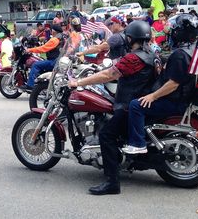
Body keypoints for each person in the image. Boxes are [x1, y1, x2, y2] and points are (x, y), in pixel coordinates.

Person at [68, 20, 160, 195]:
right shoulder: (151, 53)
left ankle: (112, 182)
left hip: (128, 105)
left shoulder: (133, 58)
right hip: (141, 101)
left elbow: (108, 74)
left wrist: (78, 82)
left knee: (106, 135)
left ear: (131, 38)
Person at [122, 14, 198, 154]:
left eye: (172, 30)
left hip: (175, 101)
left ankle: (138, 144)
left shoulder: (180, 55)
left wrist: (153, 96)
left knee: (135, 105)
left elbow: (173, 84)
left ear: (179, 33)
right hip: (184, 98)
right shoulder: (192, 50)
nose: (169, 32)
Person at [19, 25, 64, 91]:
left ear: (54, 31)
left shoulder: (55, 40)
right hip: (56, 60)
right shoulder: (60, 37)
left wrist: (30, 50)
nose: (51, 31)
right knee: (40, 61)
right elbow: (45, 44)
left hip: (53, 61)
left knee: (35, 65)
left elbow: (43, 48)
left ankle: (30, 85)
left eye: (52, 30)